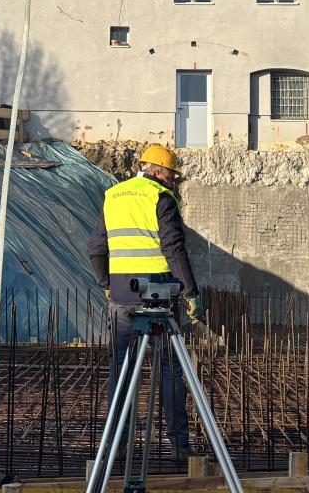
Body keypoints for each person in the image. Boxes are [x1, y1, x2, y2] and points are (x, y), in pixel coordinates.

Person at [87, 144, 202, 461]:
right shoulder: (161, 198)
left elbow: (95, 249)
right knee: (167, 369)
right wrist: (191, 294)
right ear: (160, 171)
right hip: (160, 296)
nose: (173, 181)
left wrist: (107, 285)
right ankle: (178, 444)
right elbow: (174, 249)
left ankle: (118, 444)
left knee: (121, 371)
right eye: (172, 175)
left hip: (123, 295)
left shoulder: (114, 195)